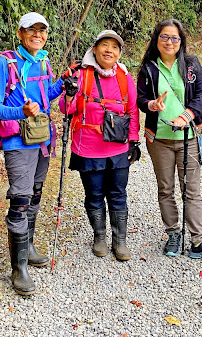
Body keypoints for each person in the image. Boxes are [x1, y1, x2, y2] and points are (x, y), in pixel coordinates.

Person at [0, 12, 79, 295]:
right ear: (20, 33)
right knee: (21, 200)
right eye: (31, 30)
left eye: (42, 30)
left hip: (42, 139)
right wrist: (20, 112)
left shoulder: (44, 61)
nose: (37, 34)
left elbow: (44, 97)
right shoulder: (5, 64)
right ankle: (19, 268)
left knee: (36, 195)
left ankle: (29, 248)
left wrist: (63, 85)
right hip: (17, 142)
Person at [137, 19, 202, 260]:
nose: (169, 42)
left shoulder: (191, 64)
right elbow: (140, 99)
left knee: (192, 189)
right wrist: (152, 105)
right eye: (164, 37)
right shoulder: (148, 68)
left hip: (188, 137)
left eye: (174, 38)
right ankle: (173, 234)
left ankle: (198, 240)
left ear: (181, 41)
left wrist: (187, 115)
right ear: (157, 40)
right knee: (165, 188)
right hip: (159, 139)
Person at [60, 30, 140, 261]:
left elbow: (132, 110)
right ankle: (99, 237)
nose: (109, 50)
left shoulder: (124, 77)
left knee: (118, 193)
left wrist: (133, 141)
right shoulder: (81, 75)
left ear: (119, 53)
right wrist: (70, 94)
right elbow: (65, 110)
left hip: (117, 147)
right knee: (94, 194)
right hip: (88, 147)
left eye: (114, 47)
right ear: (94, 49)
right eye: (104, 45)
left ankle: (120, 241)